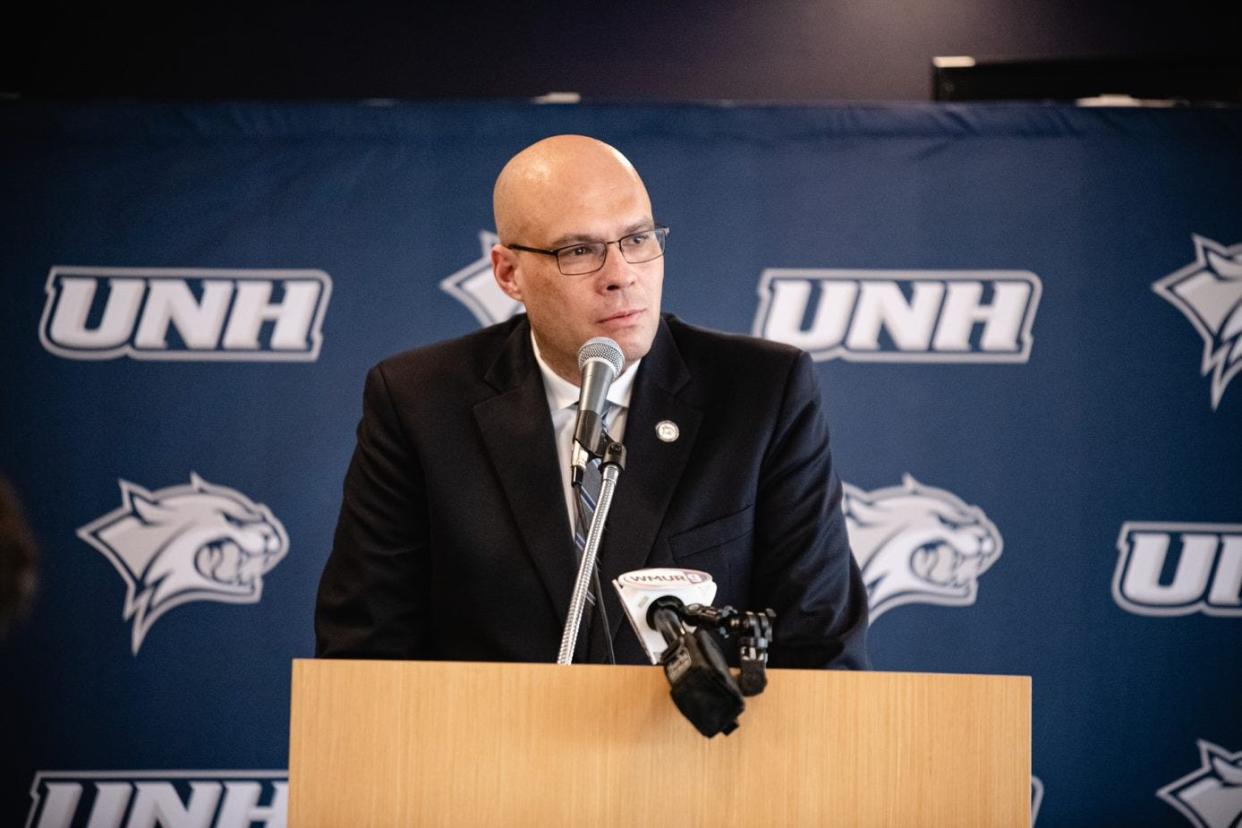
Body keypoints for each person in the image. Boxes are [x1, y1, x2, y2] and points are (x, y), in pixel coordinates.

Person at [315, 135, 868, 668]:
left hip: (697, 754)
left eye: (637, 239)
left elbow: (819, 642)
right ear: (509, 273)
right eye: (579, 250)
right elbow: (366, 649)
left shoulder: (761, 392)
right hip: (487, 755)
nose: (622, 276)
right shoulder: (419, 401)